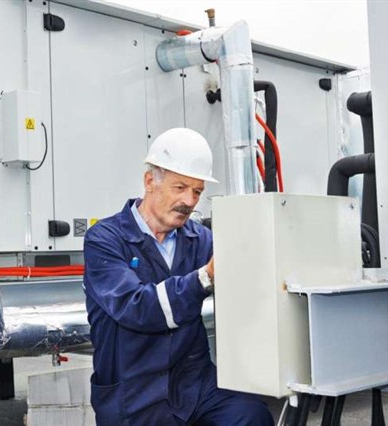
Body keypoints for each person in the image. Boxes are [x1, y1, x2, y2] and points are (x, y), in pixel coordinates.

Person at [83, 128, 274, 425]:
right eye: (180, 187)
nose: (190, 201)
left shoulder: (200, 238)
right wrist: (205, 278)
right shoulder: (105, 239)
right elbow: (135, 307)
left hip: (194, 385)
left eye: (197, 191)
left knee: (250, 416)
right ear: (150, 182)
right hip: (134, 391)